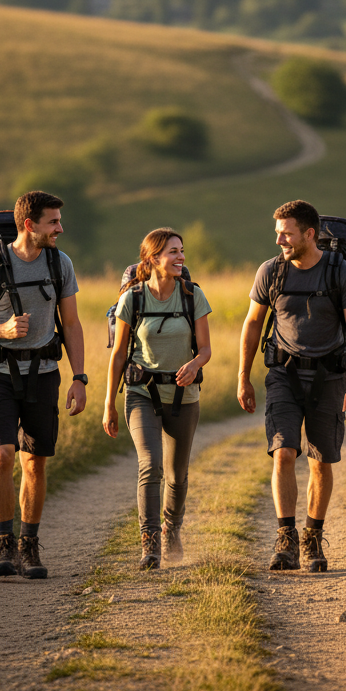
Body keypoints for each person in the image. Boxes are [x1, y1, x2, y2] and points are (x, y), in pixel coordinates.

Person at [0, 191, 87, 579]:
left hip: (44, 373)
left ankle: (29, 546)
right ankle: (4, 544)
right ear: (29, 225)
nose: (60, 228)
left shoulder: (60, 263)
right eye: (53, 222)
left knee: (35, 462)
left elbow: (73, 325)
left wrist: (79, 378)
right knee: (4, 455)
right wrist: (0, 329)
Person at [237, 200, 346, 572]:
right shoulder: (271, 272)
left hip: (329, 377)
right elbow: (251, 324)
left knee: (321, 461)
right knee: (283, 452)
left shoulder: (340, 273)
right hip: (283, 374)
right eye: (277, 232)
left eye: (287, 233)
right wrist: (243, 377)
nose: (279, 240)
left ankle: (313, 540)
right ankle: (286, 538)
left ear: (310, 234)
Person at [103, 228, 212, 570]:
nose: (181, 257)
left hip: (184, 395)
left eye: (182, 251)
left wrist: (195, 364)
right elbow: (118, 354)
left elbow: (206, 348)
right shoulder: (132, 300)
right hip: (141, 394)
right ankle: (149, 541)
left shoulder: (193, 296)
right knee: (151, 465)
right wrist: (109, 404)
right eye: (173, 252)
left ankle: (171, 529)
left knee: (177, 475)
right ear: (152, 259)